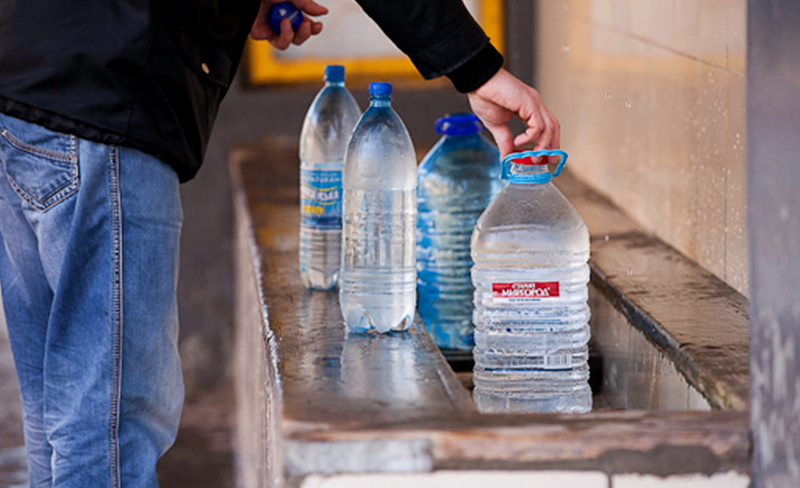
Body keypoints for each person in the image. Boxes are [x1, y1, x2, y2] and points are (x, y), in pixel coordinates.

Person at [0, 0, 560, 486]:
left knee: (62, 412)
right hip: (98, 101)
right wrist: (477, 67)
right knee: (109, 423)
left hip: (23, 92)